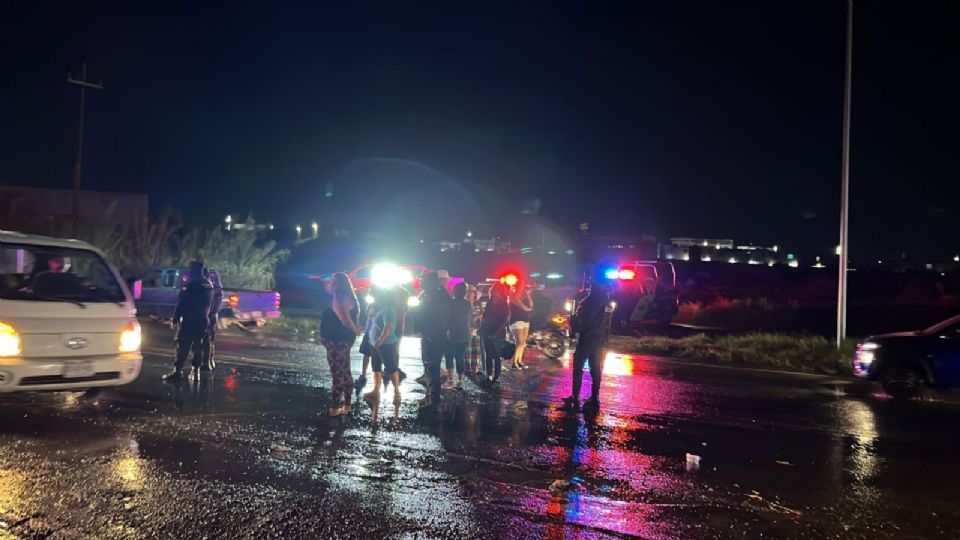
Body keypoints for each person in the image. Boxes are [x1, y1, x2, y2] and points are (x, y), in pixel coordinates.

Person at [561, 280, 614, 412]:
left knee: (578, 366)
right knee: (595, 368)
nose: (589, 287)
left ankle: (575, 396)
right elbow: (608, 322)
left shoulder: (590, 301)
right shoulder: (606, 301)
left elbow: (586, 320)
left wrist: (575, 324)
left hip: (587, 337)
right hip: (599, 338)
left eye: (591, 285)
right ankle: (595, 397)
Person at [163, 261, 215, 382]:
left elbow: (182, 303)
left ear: (193, 271)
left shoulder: (191, 285)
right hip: (203, 319)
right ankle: (196, 370)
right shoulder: (208, 285)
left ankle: (177, 371)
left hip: (190, 319)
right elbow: (211, 305)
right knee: (198, 345)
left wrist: (175, 318)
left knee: (183, 345)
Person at [320, 272, 361, 417]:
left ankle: (335, 408)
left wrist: (356, 331)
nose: (329, 284)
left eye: (332, 282)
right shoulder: (347, 297)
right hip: (341, 340)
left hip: (337, 341)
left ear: (338, 284)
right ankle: (347, 405)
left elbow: (346, 321)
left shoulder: (339, 298)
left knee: (337, 373)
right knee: (344, 370)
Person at [414, 271, 451, 408]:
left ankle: (433, 400)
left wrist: (436, 333)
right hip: (428, 335)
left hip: (434, 337)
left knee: (432, 367)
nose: (420, 282)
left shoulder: (439, 295)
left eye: (423, 280)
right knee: (428, 368)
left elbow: (444, 316)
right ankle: (429, 396)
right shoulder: (428, 294)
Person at [363, 287, 402, 404]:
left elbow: (388, 328)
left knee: (391, 368)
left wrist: (379, 341)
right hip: (374, 343)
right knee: (375, 367)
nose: (373, 298)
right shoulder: (378, 308)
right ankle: (376, 390)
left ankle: (397, 392)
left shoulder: (388, 309)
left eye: (375, 295)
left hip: (386, 344)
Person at [479, 282, 510, 385]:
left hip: (497, 333)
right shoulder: (490, 302)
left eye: (495, 290)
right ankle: (488, 375)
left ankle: (496, 377)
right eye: (493, 291)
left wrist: (495, 333)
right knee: (488, 355)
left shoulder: (504, 304)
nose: (493, 293)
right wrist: (483, 326)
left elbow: (503, 320)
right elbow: (485, 315)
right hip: (486, 332)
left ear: (500, 292)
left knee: (496, 356)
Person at [445, 282, 471, 389]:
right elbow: (467, 319)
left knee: (449, 356)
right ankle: (460, 379)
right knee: (460, 357)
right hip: (464, 334)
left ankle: (450, 380)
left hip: (451, 334)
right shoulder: (468, 304)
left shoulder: (451, 303)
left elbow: (448, 318)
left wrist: (448, 331)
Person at [200, 268, 223, 372]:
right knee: (210, 339)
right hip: (212, 315)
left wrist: (208, 314)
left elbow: (213, 304)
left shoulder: (209, 288)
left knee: (206, 339)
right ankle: (210, 360)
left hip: (208, 316)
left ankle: (206, 362)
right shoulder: (218, 289)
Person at [508, 283, 534, 369]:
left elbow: (531, 305)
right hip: (516, 320)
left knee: (523, 343)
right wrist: (529, 309)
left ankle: (519, 361)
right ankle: (514, 363)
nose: (523, 287)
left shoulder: (524, 295)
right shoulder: (513, 296)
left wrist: (527, 294)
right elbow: (523, 307)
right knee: (519, 342)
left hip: (525, 320)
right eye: (521, 285)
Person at [354, 302, 377, 394]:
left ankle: (375, 378)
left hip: (374, 334)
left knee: (375, 357)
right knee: (366, 355)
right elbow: (368, 318)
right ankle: (363, 376)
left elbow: (371, 316)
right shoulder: (372, 305)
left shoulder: (378, 306)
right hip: (368, 334)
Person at [466, 286, 483, 375]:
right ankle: (468, 368)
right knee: (468, 349)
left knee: (476, 349)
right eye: (468, 291)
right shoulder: (464, 303)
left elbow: (482, 313)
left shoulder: (478, 303)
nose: (469, 293)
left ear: (475, 293)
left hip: (476, 329)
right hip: (467, 329)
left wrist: (477, 316)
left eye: (471, 292)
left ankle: (475, 367)